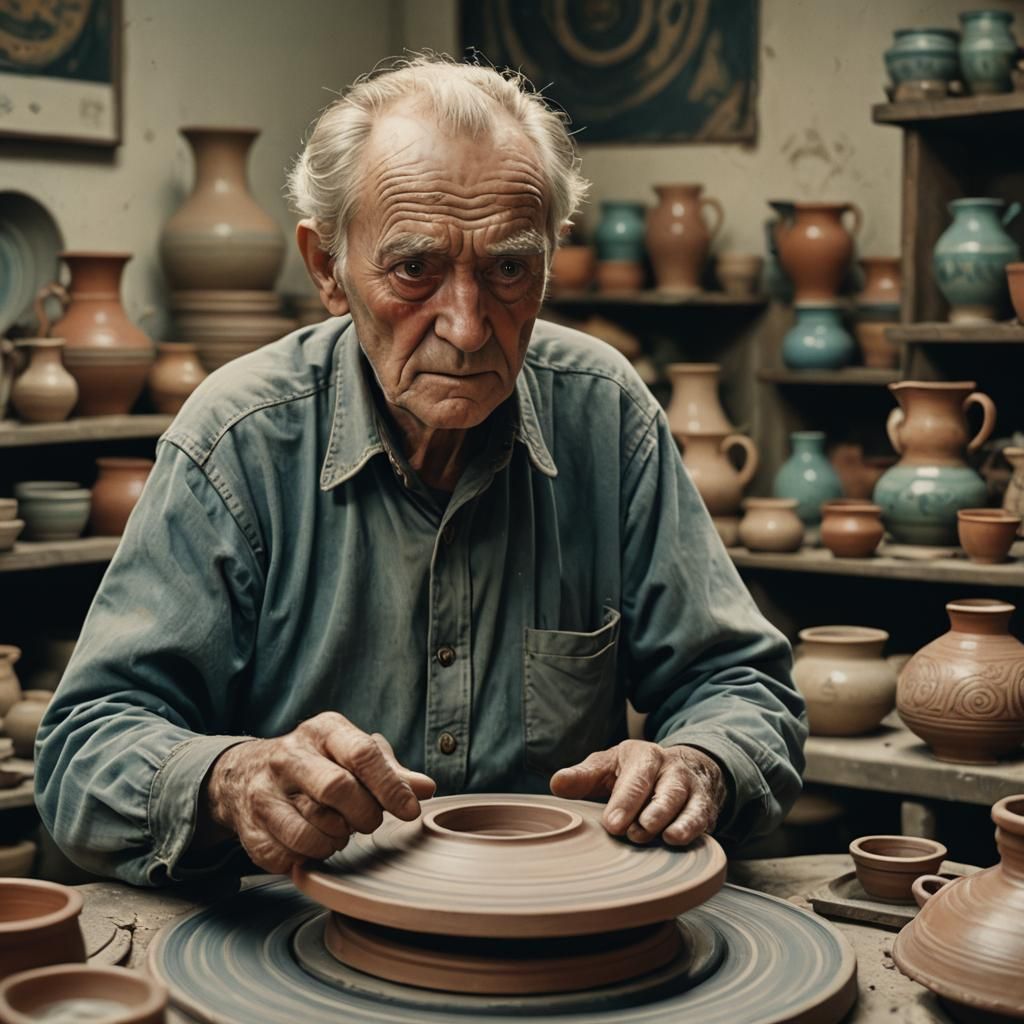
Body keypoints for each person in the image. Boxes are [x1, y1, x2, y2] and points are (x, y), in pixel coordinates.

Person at [35, 56, 806, 887]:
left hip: (554, 919)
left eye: (509, 268)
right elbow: (88, 742)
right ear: (327, 268)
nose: (469, 327)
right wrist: (231, 780)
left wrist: (700, 762)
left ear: (548, 263)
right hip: (300, 941)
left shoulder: (606, 416)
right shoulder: (238, 441)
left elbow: (740, 683)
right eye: (415, 269)